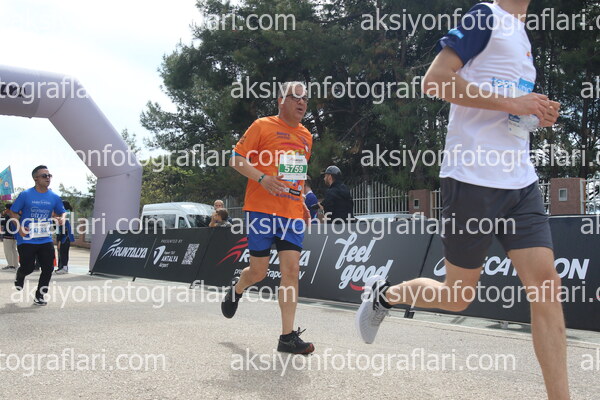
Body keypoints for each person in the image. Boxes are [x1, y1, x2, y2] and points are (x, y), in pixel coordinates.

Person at [355, 1, 568, 399]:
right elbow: (435, 81)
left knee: (546, 287)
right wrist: (512, 103)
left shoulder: (522, 34)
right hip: (472, 179)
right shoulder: (484, 15)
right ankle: (385, 295)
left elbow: (508, 105)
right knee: (457, 297)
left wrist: (535, 112)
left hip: (520, 181)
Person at [222, 81, 314, 354]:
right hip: (261, 211)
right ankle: (238, 288)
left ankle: (287, 337)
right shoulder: (262, 126)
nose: (301, 102)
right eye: (295, 97)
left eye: (305, 99)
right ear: (280, 100)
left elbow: (296, 174)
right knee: (259, 272)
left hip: (291, 213)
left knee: (291, 271)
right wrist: (262, 178)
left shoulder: (307, 136)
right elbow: (236, 159)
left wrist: (302, 201)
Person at [7, 166, 66, 306]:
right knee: (28, 267)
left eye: (49, 175)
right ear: (36, 178)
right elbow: (13, 212)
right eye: (44, 175)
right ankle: (20, 274)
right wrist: (19, 228)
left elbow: (61, 211)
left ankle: (40, 295)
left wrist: (62, 218)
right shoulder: (26, 195)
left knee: (48, 268)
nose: (48, 178)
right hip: (27, 238)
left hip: (45, 238)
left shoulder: (54, 197)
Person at [55, 200, 74, 274]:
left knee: (63, 253)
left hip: (64, 237)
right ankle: (62, 267)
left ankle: (64, 268)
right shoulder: (67, 214)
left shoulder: (64, 216)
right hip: (65, 236)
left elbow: (63, 230)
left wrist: (59, 241)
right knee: (63, 253)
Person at [1, 204, 18, 271]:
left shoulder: (8, 216)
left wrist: (3, 215)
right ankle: (15, 265)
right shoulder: (16, 215)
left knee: (8, 251)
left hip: (7, 235)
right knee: (14, 250)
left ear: (8, 209)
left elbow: (2, 223)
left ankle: (11, 265)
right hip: (14, 235)